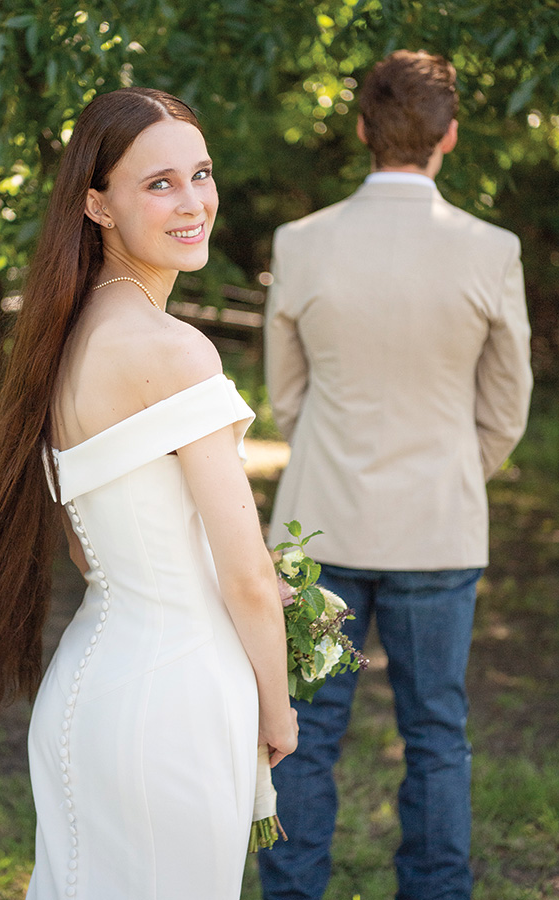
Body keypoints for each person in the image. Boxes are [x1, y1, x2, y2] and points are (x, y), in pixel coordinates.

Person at [0, 87, 297, 900]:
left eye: (200, 174)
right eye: (159, 183)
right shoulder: (173, 352)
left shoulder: (63, 341)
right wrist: (276, 710)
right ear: (97, 204)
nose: (194, 201)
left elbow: (82, 543)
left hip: (88, 694)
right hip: (174, 701)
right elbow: (243, 577)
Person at [259, 51, 532, 900]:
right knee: (437, 735)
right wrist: (456, 467)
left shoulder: (301, 244)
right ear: (450, 135)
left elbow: (286, 397)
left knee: (299, 733)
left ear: (362, 130)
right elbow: (507, 404)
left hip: (320, 523)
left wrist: (336, 459)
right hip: (439, 525)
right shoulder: (491, 250)